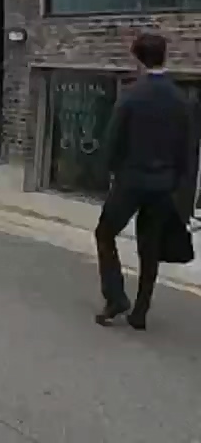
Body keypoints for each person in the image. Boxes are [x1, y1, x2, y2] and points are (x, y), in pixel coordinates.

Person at [95, 31, 196, 329]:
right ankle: (140, 312)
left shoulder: (131, 95)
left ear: (137, 59)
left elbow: (114, 139)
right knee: (149, 248)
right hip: (164, 184)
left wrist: (109, 169)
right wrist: (182, 187)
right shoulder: (181, 100)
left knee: (105, 233)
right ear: (165, 56)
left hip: (130, 181)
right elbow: (188, 148)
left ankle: (115, 297)